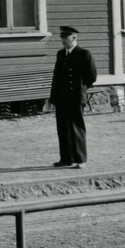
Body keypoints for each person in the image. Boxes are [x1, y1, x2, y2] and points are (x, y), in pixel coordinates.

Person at [48, 25, 98, 169]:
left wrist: (80, 89)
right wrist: (53, 99)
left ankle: (80, 159)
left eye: (66, 38)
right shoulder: (60, 54)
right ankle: (66, 158)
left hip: (75, 97)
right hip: (61, 98)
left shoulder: (83, 54)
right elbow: (56, 77)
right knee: (62, 129)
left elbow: (92, 76)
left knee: (76, 128)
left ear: (74, 38)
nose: (63, 40)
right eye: (62, 38)